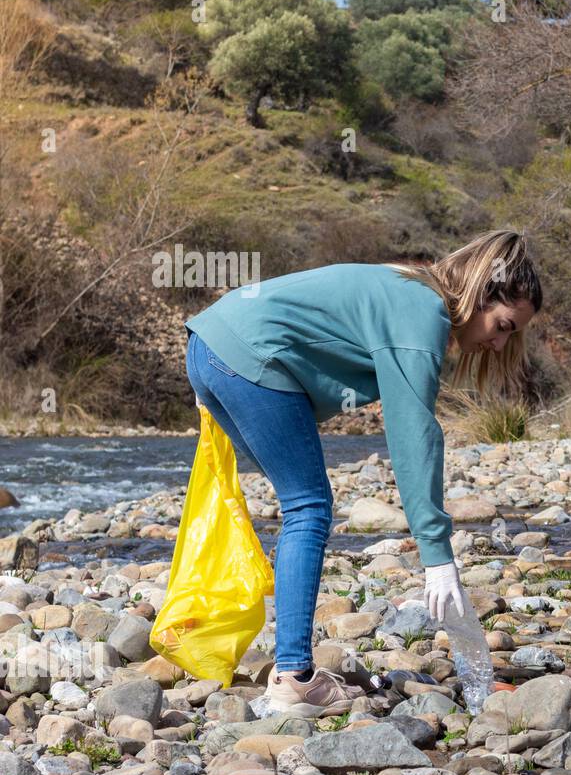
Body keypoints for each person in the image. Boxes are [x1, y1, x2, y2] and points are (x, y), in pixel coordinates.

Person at [183, 229, 542, 716]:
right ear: (481, 294)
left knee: (299, 504)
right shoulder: (423, 314)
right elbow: (414, 433)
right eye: (502, 325)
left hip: (208, 346)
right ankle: (292, 678)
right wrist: (437, 559)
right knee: (308, 507)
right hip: (244, 356)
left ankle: (281, 664)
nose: (499, 343)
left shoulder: (405, 286)